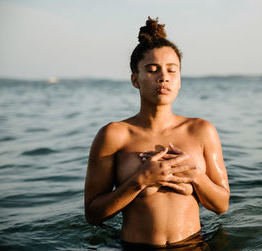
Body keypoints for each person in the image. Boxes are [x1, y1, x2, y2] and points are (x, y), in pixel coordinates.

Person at [84, 17, 230, 249]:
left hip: (193, 246)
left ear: (179, 79)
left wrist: (196, 176)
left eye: (172, 70)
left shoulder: (202, 131)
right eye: (152, 70)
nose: (164, 77)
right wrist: (141, 180)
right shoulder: (114, 135)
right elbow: (93, 214)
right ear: (135, 80)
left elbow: (222, 205)